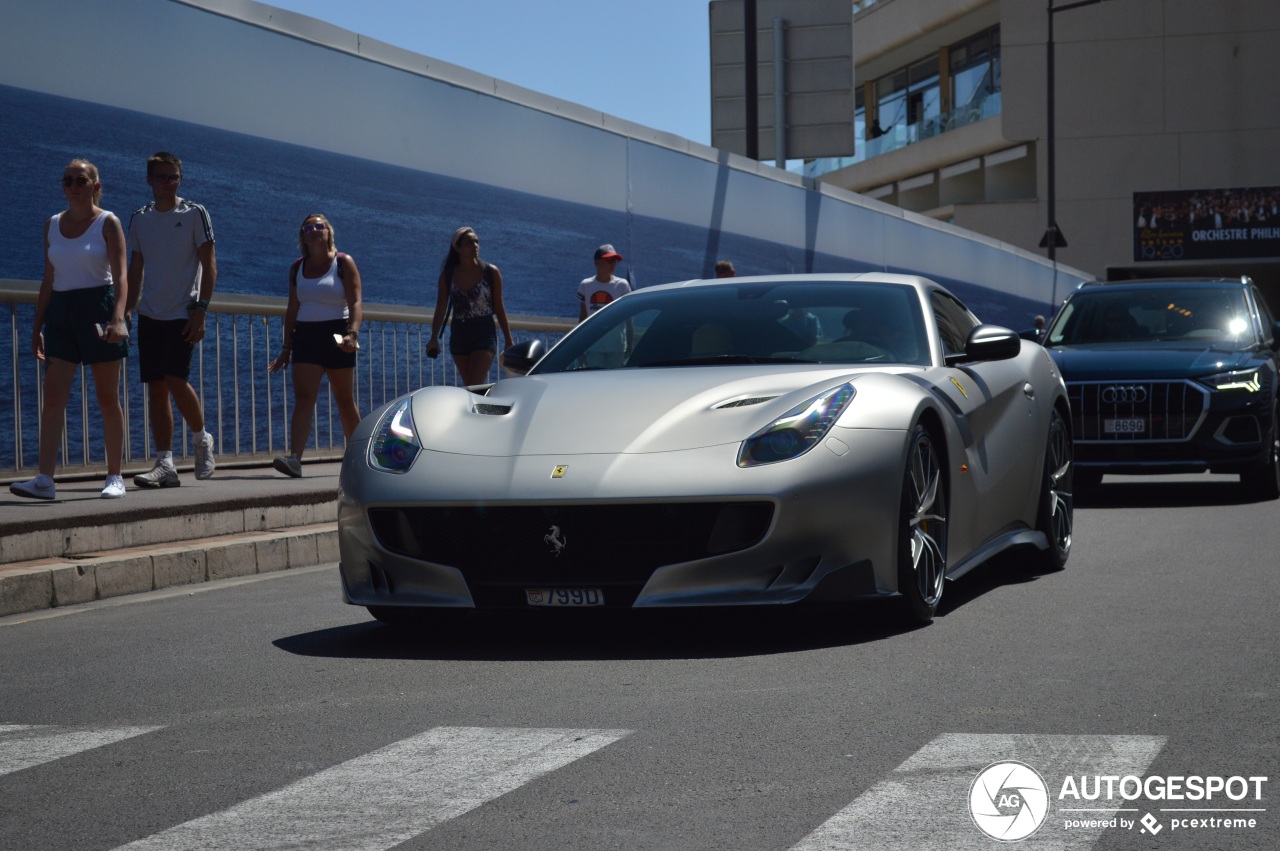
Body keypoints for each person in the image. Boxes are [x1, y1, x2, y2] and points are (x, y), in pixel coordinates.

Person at [10, 159, 129, 500]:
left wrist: (118, 317)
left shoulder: (108, 223)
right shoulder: (51, 225)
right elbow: (49, 279)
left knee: (107, 398)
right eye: (67, 181)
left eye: (80, 180)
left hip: (99, 310)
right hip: (61, 314)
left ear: (95, 185)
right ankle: (45, 478)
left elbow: (121, 275)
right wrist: (37, 326)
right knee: (54, 398)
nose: (73, 186)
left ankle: (115, 476)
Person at [125, 152, 217, 488]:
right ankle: (164, 463)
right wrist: (126, 311)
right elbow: (135, 270)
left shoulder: (194, 213)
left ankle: (201, 439)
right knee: (156, 389)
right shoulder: (139, 219)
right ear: (149, 179)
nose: (169, 182)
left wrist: (202, 309)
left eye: (174, 177)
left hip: (183, 312)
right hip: (150, 313)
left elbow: (209, 264)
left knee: (176, 379)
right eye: (162, 177)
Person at [267, 214, 362, 477]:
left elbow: (355, 303)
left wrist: (352, 334)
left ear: (328, 232)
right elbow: (292, 308)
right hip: (306, 337)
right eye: (308, 227)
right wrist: (286, 347)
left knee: (344, 400)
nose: (314, 230)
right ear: (303, 236)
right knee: (304, 399)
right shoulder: (298, 267)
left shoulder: (343, 262)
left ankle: (359, 458)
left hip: (336, 334)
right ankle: (294, 459)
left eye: (319, 226)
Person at [426, 226, 515, 386]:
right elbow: (441, 308)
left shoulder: (490, 272)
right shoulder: (447, 276)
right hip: (459, 333)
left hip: (484, 332)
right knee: (470, 386)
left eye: (476, 242)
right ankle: (481, 409)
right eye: (469, 243)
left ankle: (483, 409)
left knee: (474, 384)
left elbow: (499, 306)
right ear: (458, 248)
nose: (475, 246)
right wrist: (433, 338)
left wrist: (508, 339)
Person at [576, 243, 632, 367]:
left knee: (613, 384)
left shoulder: (623, 285)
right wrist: (579, 345)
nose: (613, 264)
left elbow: (629, 317)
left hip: (617, 347)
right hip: (593, 346)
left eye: (615, 261)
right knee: (595, 383)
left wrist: (630, 343)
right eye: (609, 260)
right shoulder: (586, 285)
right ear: (597, 263)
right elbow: (583, 317)